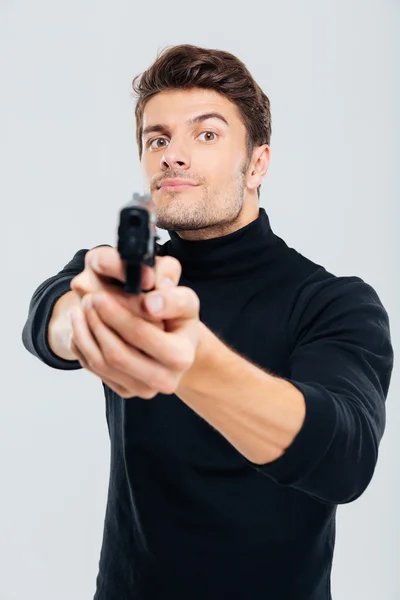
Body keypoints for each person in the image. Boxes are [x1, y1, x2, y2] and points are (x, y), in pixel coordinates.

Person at [21, 44, 394, 600]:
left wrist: (191, 358)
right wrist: (90, 324)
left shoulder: (334, 302)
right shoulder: (118, 272)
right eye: (158, 138)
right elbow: (48, 320)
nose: (173, 155)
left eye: (207, 134)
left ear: (258, 163)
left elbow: (345, 459)